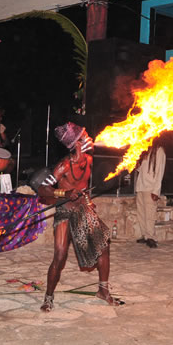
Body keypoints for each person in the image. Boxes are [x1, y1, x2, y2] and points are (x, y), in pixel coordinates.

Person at [36, 122, 118, 312]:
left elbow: (82, 186)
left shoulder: (88, 160)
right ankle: (48, 297)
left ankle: (103, 290)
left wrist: (85, 198)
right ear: (77, 144)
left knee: (103, 246)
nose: (90, 139)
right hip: (65, 210)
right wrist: (64, 194)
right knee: (60, 254)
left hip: (83, 208)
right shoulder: (64, 165)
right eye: (85, 136)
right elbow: (43, 189)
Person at [135, 142, 166, 248]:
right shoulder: (144, 150)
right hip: (141, 187)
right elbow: (141, 170)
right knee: (141, 213)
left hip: (150, 188)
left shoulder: (159, 150)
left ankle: (151, 237)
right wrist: (137, 164)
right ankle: (145, 235)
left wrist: (156, 191)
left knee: (150, 214)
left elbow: (159, 172)